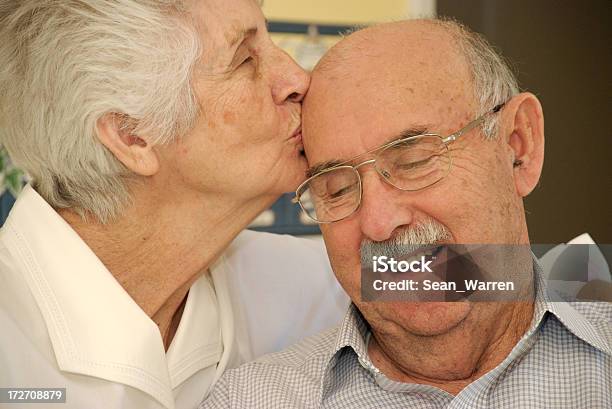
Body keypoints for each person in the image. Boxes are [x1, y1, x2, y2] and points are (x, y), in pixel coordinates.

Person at [202, 19, 612, 408]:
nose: (379, 223)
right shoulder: (251, 399)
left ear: (518, 147)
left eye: (414, 160)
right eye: (337, 188)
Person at [0, 1, 347, 408]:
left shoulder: (302, 276)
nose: (297, 79)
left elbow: (437, 278)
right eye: (245, 59)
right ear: (133, 136)